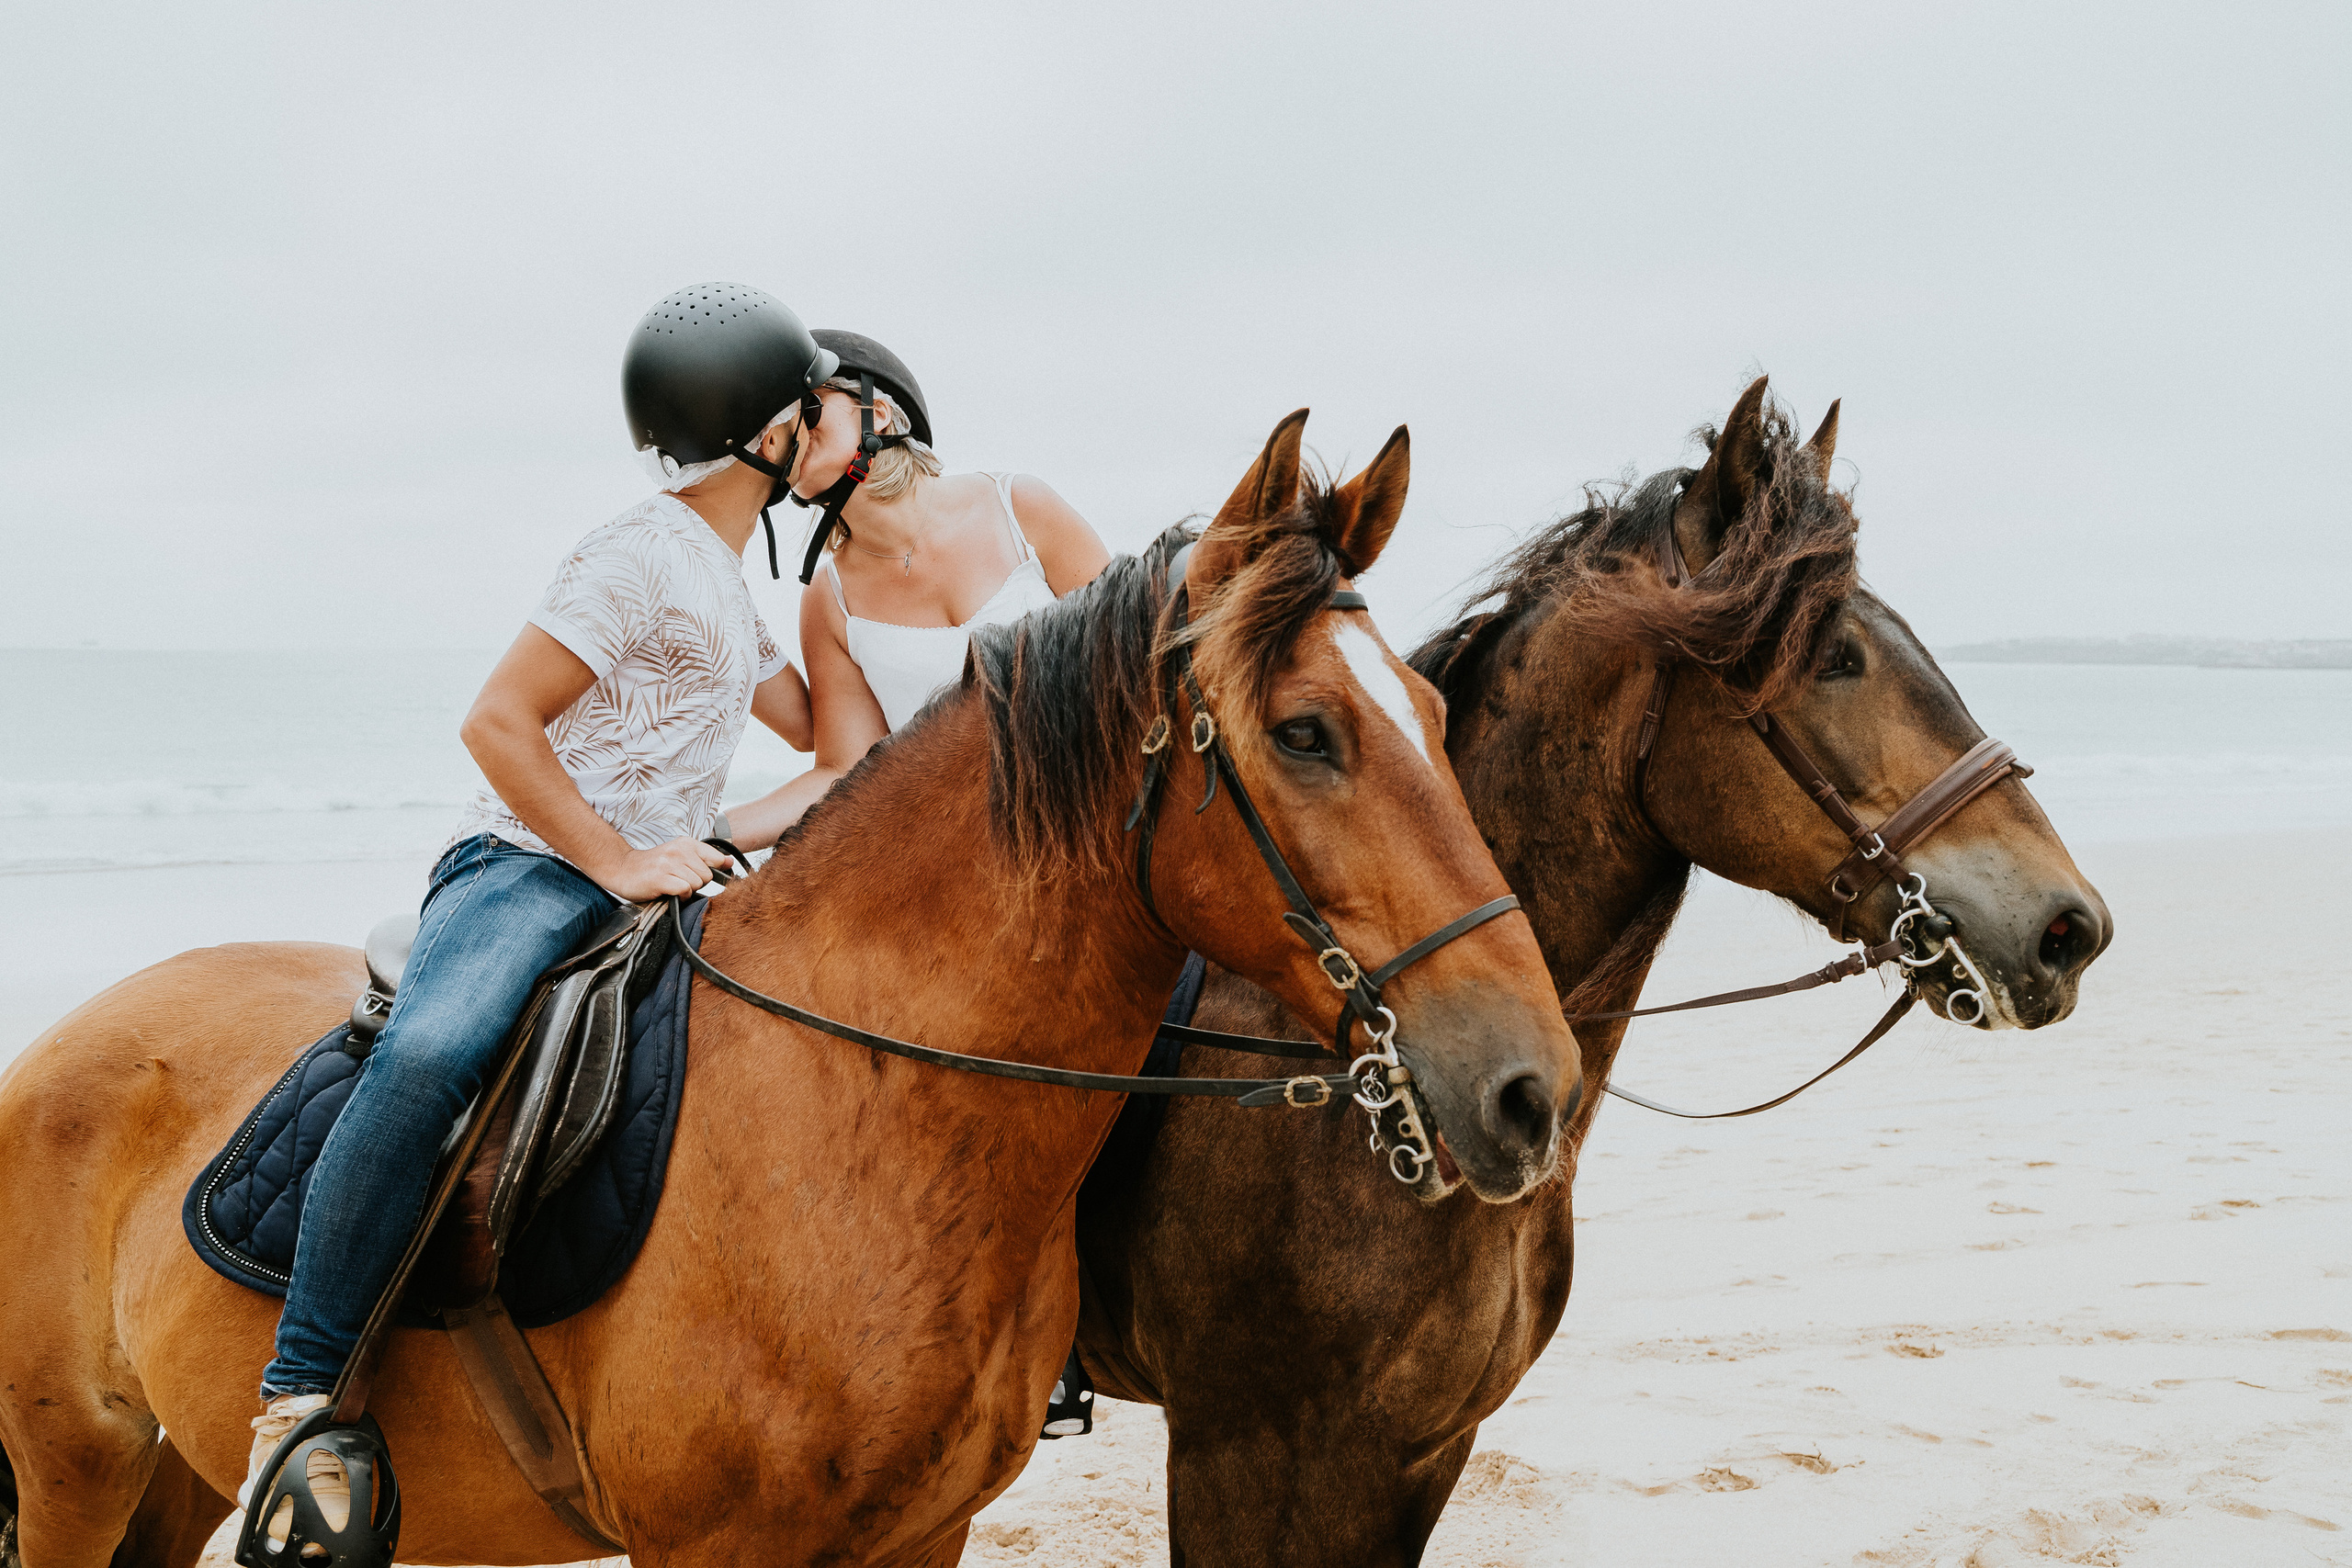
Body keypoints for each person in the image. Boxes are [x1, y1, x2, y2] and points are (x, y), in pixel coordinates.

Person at [243, 283, 827, 1521]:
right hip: (530, 866)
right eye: (806, 408)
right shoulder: (640, 548)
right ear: (764, 430)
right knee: (435, 1051)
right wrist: (616, 859)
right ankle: (297, 1396)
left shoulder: (726, 578)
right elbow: (496, 722)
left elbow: (834, 731)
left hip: (659, 876)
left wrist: (886, 581)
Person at [721, 331, 1111, 845]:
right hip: (968, 854)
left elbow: (1130, 657)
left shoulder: (1020, 509)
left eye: (809, 406)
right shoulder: (829, 600)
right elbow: (841, 774)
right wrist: (706, 834)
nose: (791, 429)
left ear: (876, 413)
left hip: (1103, 817)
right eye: (776, 424)